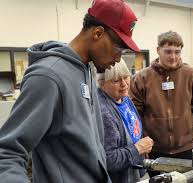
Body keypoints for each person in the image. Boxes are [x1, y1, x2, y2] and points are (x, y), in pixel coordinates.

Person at [0, 0, 140, 182]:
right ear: (98, 33)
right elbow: (7, 153)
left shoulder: (87, 70)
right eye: (118, 48)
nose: (118, 58)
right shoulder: (48, 76)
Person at [129, 31, 193, 176]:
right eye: (168, 51)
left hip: (186, 148)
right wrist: (141, 144)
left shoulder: (192, 75)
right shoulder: (142, 78)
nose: (173, 56)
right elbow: (135, 115)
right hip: (155, 149)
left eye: (177, 52)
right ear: (158, 50)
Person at [97, 59, 154, 183]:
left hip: (136, 172)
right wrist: (137, 149)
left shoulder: (124, 98)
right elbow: (108, 160)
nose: (124, 84)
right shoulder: (103, 112)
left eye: (126, 77)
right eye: (116, 80)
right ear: (102, 83)